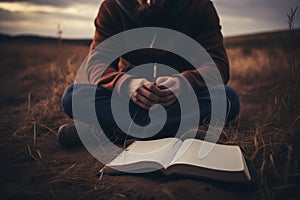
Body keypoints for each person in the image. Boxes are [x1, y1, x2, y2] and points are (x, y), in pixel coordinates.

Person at [58, 0, 240, 148]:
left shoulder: (200, 7)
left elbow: (217, 65)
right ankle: (181, 129)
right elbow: (96, 64)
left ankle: (110, 131)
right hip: (126, 99)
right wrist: (124, 84)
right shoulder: (111, 7)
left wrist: (184, 83)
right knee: (73, 96)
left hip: (179, 100)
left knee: (227, 98)